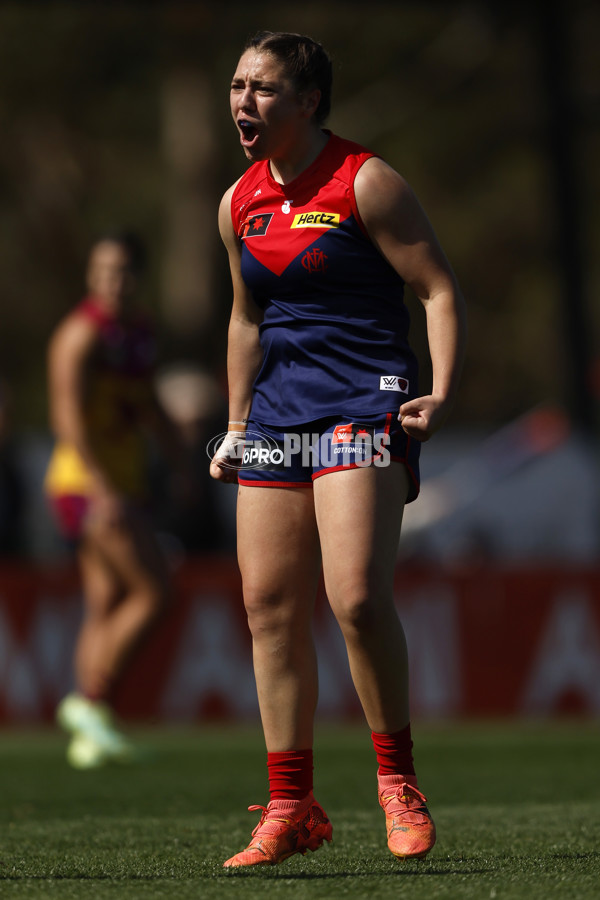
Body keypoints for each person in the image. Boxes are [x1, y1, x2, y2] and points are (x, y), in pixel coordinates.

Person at [210, 31, 467, 867]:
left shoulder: (367, 182)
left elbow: (435, 288)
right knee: (269, 609)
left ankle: (398, 785)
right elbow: (247, 320)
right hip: (278, 419)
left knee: (355, 598)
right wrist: (238, 427)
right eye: (240, 85)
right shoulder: (238, 201)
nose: (246, 102)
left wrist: (441, 388)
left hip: (364, 405)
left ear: (309, 100)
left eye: (266, 88)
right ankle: (293, 809)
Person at [45, 231, 186, 769]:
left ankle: (89, 735)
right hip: (87, 485)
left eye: (123, 271)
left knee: (104, 603)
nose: (113, 282)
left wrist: (178, 460)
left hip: (121, 483)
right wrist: (105, 490)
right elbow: (67, 419)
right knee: (156, 593)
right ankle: (89, 703)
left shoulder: (139, 332)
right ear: (90, 276)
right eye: (103, 271)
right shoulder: (80, 335)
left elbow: (147, 402)